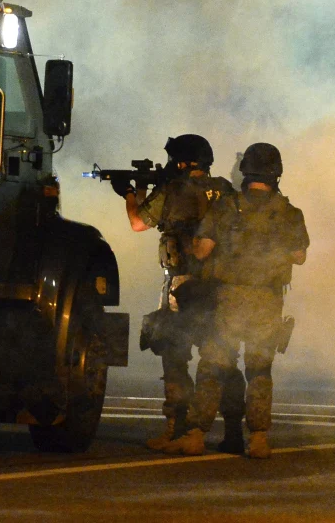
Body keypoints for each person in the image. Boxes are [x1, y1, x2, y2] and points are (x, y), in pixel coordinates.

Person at [163, 142, 308, 459]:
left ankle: (196, 435)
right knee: (259, 371)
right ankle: (258, 440)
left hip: (227, 299)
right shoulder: (289, 213)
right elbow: (299, 256)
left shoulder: (227, 208)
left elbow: (202, 251)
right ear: (277, 174)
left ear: (245, 173)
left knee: (213, 367)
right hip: (267, 302)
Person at [117, 135, 245, 453]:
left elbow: (137, 222)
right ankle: (233, 432)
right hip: (221, 285)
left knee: (174, 356)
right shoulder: (226, 189)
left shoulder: (174, 190)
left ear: (183, 162)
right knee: (222, 359)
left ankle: (177, 429)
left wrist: (130, 193)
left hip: (181, 285)